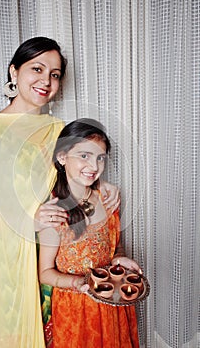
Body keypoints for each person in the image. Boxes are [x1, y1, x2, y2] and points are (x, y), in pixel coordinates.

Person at [0, 37, 120, 348]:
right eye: (37, 68)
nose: (46, 81)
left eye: (55, 74)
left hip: (55, 257)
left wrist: (102, 185)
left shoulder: (56, 129)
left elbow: (71, 172)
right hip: (9, 263)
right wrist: (28, 218)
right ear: (14, 72)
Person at [38, 118, 141, 348]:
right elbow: (45, 272)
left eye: (100, 157)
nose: (94, 166)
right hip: (76, 312)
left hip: (112, 305)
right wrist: (77, 283)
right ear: (62, 157)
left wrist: (119, 258)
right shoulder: (53, 213)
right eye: (84, 155)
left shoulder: (108, 198)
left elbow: (115, 247)